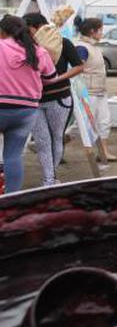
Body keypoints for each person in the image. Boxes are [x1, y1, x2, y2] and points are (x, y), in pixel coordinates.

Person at [24, 9, 84, 187]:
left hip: (55, 98)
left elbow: (79, 67)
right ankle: (49, 179)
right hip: (41, 100)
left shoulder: (61, 42)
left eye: (27, 29)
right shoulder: (27, 47)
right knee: (46, 141)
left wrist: (58, 78)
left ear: (35, 28)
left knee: (53, 139)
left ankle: (49, 177)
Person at [0, 15, 57, 193]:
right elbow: (51, 78)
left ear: (2, 31)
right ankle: (12, 200)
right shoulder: (38, 51)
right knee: (13, 156)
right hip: (26, 111)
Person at [76, 18, 117, 163]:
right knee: (83, 125)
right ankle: (56, 143)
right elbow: (77, 68)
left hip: (100, 90)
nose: (102, 33)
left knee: (104, 122)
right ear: (92, 31)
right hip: (88, 92)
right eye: (100, 30)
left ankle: (104, 152)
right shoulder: (82, 47)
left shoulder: (93, 46)